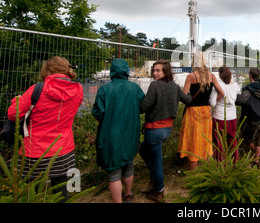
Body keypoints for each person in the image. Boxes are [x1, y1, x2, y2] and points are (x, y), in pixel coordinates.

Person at [7, 56, 83, 202]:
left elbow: (13, 114)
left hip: (34, 150)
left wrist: (16, 100)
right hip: (63, 148)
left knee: (31, 192)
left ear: (46, 70)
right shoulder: (78, 89)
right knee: (61, 188)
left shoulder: (36, 89)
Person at [92, 59, 145, 203]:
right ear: (127, 71)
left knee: (114, 169)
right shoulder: (135, 88)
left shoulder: (105, 89)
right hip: (131, 133)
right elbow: (143, 106)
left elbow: (97, 113)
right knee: (128, 163)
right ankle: (128, 194)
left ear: (112, 71)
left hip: (110, 134)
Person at [139, 59, 191, 203]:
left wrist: (136, 102)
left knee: (156, 162)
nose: (154, 73)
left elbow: (144, 107)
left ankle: (159, 191)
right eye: (153, 70)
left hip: (154, 130)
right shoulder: (174, 86)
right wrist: (195, 91)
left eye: (158, 70)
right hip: (167, 130)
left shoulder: (155, 86)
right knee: (143, 151)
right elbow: (187, 99)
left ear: (166, 71)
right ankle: (155, 181)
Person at [178, 52, 224, 171]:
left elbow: (183, 97)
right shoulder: (212, 76)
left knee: (193, 141)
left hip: (193, 112)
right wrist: (210, 103)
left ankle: (193, 176)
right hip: (206, 111)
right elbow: (222, 93)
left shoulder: (191, 76)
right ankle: (209, 172)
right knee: (206, 141)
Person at [235, 68, 260, 167]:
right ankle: (257, 160)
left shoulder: (248, 90)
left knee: (246, 139)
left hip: (250, 119)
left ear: (250, 76)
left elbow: (240, 101)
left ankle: (258, 158)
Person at [209, 65, 240, 163]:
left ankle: (220, 164)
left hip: (220, 117)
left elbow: (212, 103)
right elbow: (236, 97)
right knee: (233, 141)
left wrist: (217, 98)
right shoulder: (235, 85)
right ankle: (235, 162)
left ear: (219, 74)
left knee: (219, 142)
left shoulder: (218, 86)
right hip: (233, 117)